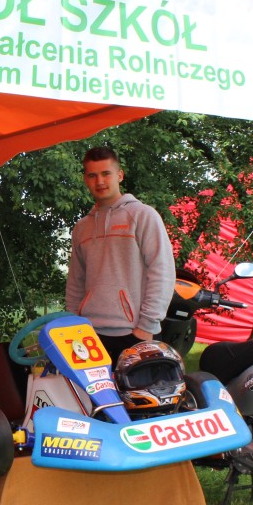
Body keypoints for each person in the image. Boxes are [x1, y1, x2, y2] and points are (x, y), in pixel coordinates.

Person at [65, 146, 175, 361]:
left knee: (140, 386)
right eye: (92, 175)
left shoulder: (143, 215)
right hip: (89, 334)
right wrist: (73, 323)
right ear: (85, 179)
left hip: (136, 332)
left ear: (120, 175)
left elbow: (162, 272)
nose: (100, 181)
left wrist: (147, 325)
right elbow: (76, 281)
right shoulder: (82, 227)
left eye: (106, 173)